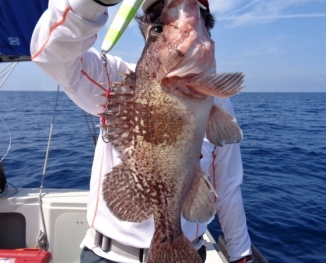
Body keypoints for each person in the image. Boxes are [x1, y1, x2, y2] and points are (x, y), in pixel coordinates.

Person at [31, 0, 253, 262]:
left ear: (206, 26)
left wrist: (241, 253)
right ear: (147, 31)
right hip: (108, 256)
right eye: (159, 20)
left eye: (196, 9)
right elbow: (51, 54)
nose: (178, 19)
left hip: (187, 252)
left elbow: (226, 187)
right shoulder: (114, 78)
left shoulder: (219, 101)